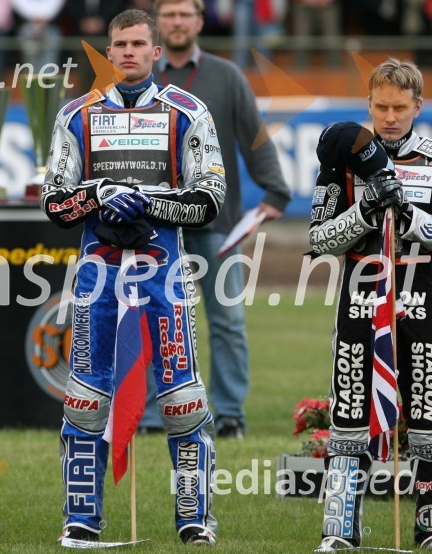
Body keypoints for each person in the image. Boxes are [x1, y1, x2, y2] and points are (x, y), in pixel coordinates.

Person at [41, 9, 224, 546]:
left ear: (155, 50)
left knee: (182, 399)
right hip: (98, 275)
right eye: (119, 43)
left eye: (138, 44)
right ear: (108, 49)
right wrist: (99, 195)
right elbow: (55, 203)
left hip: (163, 273)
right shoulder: (76, 114)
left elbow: (210, 200)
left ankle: (194, 517)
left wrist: (148, 203)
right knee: (85, 397)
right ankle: (82, 516)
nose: (128, 52)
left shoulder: (188, 112)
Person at [309, 58, 432, 551]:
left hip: (420, 298)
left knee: (427, 415)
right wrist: (365, 212)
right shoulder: (340, 157)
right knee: (348, 415)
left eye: (399, 108)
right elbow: (319, 240)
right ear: (368, 104)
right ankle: (341, 528)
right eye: (380, 106)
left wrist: (411, 217)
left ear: (418, 107)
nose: (388, 117)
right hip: (360, 300)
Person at [146, 0, 291, 439]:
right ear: (158, 23)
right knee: (155, 319)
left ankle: (229, 415)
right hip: (154, 224)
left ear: (199, 22)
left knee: (226, 321)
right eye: (168, 15)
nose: (176, 22)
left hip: (217, 222)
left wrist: (275, 189)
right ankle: (156, 415)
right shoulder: (140, 77)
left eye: (184, 14)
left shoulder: (226, 76)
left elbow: (254, 137)